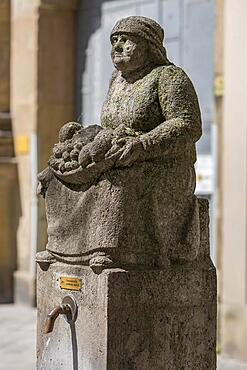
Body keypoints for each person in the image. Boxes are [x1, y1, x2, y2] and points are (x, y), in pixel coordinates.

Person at [37, 16, 202, 271]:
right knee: (53, 177)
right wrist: (83, 136)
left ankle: (103, 247)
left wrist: (143, 145)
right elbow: (111, 129)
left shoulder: (168, 76)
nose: (117, 46)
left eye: (127, 40)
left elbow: (187, 124)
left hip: (163, 164)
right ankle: (61, 248)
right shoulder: (118, 80)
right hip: (120, 153)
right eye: (114, 40)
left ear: (149, 45)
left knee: (116, 178)